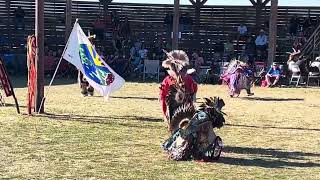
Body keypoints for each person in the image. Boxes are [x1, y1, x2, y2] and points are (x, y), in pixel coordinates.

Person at [159, 50, 198, 128]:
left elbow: (162, 97)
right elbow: (163, 98)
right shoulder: (168, 80)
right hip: (177, 110)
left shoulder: (169, 80)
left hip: (184, 111)